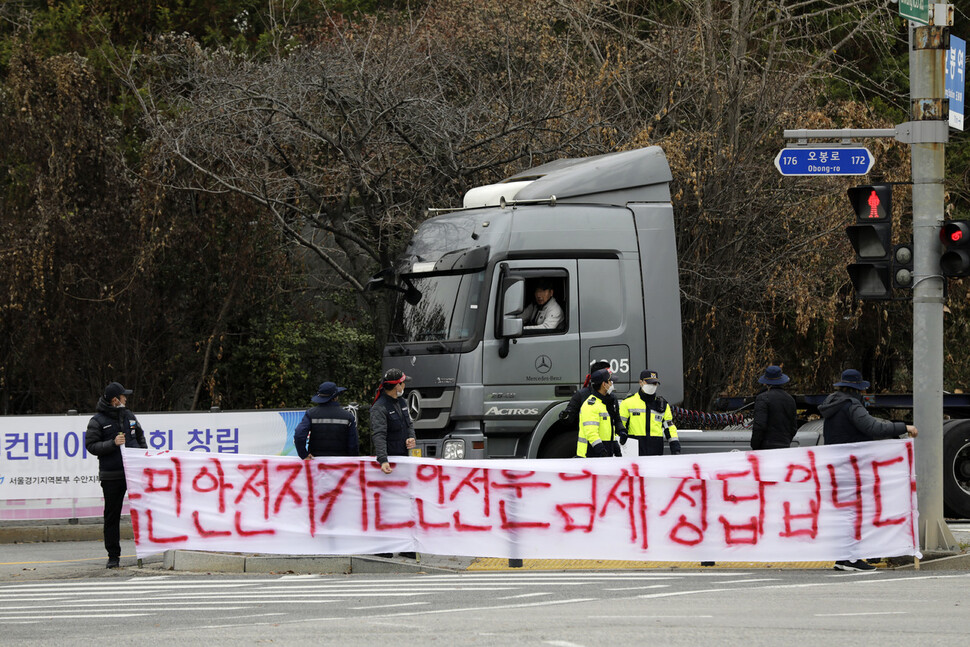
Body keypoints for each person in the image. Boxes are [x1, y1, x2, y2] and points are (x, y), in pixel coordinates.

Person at [819, 368, 918, 572]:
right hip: (852, 468)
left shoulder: (832, 406)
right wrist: (903, 427)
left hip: (837, 467)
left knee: (845, 512)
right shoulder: (851, 406)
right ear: (857, 389)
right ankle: (853, 559)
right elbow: (873, 428)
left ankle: (843, 557)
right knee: (855, 513)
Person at [84, 381, 147, 569]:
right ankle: (113, 556)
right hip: (111, 476)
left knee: (143, 512)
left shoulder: (129, 415)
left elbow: (140, 437)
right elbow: (91, 446)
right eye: (123, 396)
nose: (126, 398)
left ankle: (145, 552)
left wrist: (143, 456)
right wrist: (112, 443)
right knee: (112, 516)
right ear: (114, 400)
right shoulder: (97, 421)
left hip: (134, 473)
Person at [369, 368, 418, 559]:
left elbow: (409, 425)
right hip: (388, 466)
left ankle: (406, 546)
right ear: (396, 385)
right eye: (403, 383)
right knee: (387, 506)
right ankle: (384, 547)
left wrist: (411, 439)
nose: (405, 386)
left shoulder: (402, 402)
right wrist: (383, 460)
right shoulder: (379, 407)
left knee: (405, 504)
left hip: (403, 461)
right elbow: (378, 435)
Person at [619, 369, 681, 456]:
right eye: (649, 383)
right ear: (641, 382)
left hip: (655, 450)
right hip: (635, 450)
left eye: (655, 383)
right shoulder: (628, 402)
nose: (652, 386)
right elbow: (619, 425)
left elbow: (669, 427)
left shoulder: (662, 405)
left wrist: (675, 445)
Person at [293, 382, 358, 459]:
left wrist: (304, 455)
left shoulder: (311, 414)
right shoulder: (348, 416)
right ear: (335, 397)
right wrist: (353, 461)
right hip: (340, 463)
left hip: (316, 463)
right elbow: (353, 444)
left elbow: (299, 435)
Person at [577, 368, 623, 457]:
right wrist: (602, 452)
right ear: (604, 384)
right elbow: (591, 434)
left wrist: (615, 446)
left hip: (599, 456)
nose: (612, 384)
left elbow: (607, 431)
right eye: (610, 381)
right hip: (589, 456)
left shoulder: (605, 403)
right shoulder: (591, 405)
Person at [750, 365, 796, 450]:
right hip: (784, 446)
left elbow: (759, 426)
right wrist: (786, 441)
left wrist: (755, 445)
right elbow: (793, 427)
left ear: (766, 382)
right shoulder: (790, 399)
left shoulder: (762, 398)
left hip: (766, 447)